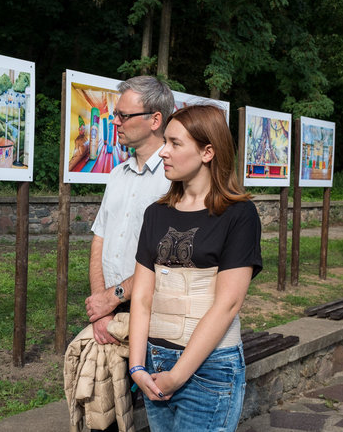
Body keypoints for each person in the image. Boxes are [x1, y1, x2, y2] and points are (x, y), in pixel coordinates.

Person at [128, 104, 263, 432]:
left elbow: (227, 305)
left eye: (175, 143)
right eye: (165, 142)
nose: (163, 152)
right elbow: (143, 296)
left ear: (207, 152)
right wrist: (137, 367)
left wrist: (177, 376)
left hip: (210, 370)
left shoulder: (239, 215)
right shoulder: (156, 214)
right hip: (154, 364)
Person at [84, 76, 174, 432]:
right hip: (109, 311)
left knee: (156, 413)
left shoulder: (173, 179)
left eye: (123, 115)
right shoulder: (117, 174)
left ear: (155, 120)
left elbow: (166, 260)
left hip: (154, 316)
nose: (115, 121)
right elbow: (99, 239)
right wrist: (99, 304)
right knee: (103, 414)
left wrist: (112, 298)